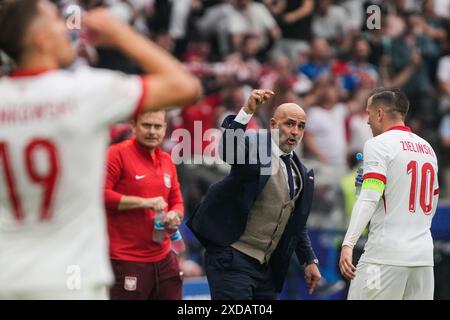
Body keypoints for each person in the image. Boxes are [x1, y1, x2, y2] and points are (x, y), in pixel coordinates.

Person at [0, 0, 201, 299]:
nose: (68, 26)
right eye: (57, 20)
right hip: (70, 281)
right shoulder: (84, 92)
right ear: (41, 39)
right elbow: (186, 86)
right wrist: (122, 34)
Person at [187, 89, 321, 300]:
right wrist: (247, 111)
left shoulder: (301, 172)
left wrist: (309, 260)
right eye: (289, 123)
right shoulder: (255, 146)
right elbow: (228, 151)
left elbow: (295, 222)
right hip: (231, 258)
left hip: (265, 270)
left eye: (301, 126)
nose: (295, 131)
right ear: (274, 125)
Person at [339, 88, 440, 300]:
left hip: (384, 258)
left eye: (368, 113)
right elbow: (432, 199)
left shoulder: (378, 144)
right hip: (422, 260)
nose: (367, 121)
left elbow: (369, 198)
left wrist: (348, 243)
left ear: (380, 113)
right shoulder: (428, 149)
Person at [104, 110, 184, 300]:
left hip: (164, 258)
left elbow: (177, 202)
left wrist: (175, 215)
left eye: (157, 126)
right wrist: (144, 203)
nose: (152, 131)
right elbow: (101, 194)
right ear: (134, 125)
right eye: (146, 125)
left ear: (165, 129)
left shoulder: (166, 160)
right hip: (126, 259)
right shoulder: (116, 154)